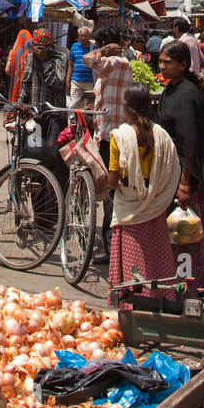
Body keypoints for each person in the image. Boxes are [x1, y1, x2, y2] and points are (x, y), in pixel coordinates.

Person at [107, 83, 180, 305]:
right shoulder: (161, 135)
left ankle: (133, 305)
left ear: (127, 108)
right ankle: (161, 301)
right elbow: (173, 169)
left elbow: (112, 180)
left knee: (133, 265)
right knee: (156, 261)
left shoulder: (120, 137)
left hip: (129, 212)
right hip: (156, 209)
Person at [157, 42, 204, 291]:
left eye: (167, 62)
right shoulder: (170, 90)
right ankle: (174, 290)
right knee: (173, 238)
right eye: (160, 61)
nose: (162, 67)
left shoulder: (188, 94)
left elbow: (189, 145)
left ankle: (193, 291)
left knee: (187, 240)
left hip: (183, 182)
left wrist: (185, 185)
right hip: (168, 177)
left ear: (183, 64)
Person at [82, 41, 134, 265]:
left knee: (111, 192)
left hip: (113, 136)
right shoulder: (112, 68)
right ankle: (114, 244)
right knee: (112, 191)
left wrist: (103, 51)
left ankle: (112, 246)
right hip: (106, 133)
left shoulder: (116, 62)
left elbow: (88, 59)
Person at [66, 25, 96, 106]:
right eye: (81, 35)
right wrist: (68, 80)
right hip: (76, 81)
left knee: (90, 106)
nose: (83, 37)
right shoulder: (74, 46)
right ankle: (73, 119)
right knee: (73, 105)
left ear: (89, 36)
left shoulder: (94, 47)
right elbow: (70, 65)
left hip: (90, 82)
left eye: (85, 36)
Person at [5, 24, 33, 103]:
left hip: (15, 82)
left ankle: (13, 112)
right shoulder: (33, 54)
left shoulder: (12, 52)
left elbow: (7, 70)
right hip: (28, 85)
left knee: (15, 98)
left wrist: (16, 75)